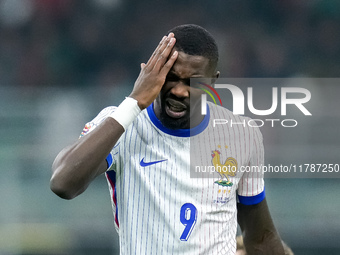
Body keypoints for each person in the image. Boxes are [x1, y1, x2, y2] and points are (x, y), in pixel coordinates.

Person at [50, 24, 284, 254]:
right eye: (171, 77)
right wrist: (134, 102)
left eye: (193, 82)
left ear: (213, 82)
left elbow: (261, 239)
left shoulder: (241, 134)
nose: (179, 91)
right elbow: (63, 183)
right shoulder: (122, 123)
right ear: (152, 72)